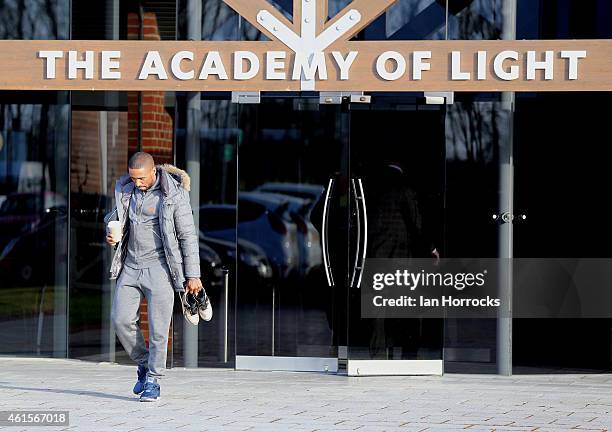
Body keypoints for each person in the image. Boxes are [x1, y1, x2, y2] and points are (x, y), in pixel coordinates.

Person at [104, 152, 211, 402]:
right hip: (130, 265)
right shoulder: (126, 190)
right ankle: (143, 363)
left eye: (141, 178)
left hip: (161, 268)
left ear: (153, 172)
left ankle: (153, 379)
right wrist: (109, 232)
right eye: (133, 178)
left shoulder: (174, 195)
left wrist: (192, 275)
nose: (137, 183)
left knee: (158, 329)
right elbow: (113, 217)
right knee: (120, 320)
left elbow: (187, 236)